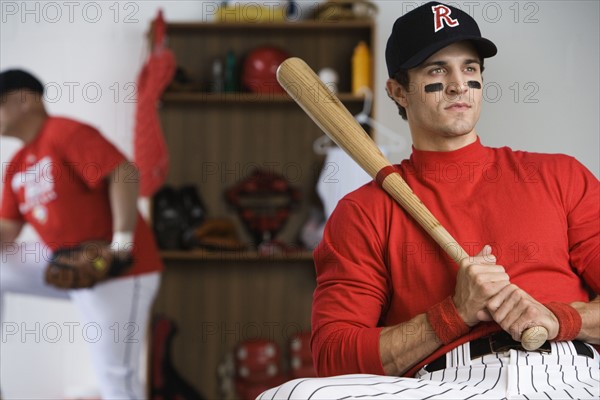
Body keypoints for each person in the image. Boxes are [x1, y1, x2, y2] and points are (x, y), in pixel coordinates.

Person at [260, 2, 599, 399]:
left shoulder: (560, 176)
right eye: (437, 70)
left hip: (569, 368)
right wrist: (452, 313)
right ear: (398, 91)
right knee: (291, 395)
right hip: (449, 382)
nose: (458, 84)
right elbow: (334, 357)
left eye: (469, 68)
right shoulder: (364, 210)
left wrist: (558, 318)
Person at [0, 69, 164, 399]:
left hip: (118, 270)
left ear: (25, 99)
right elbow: (7, 231)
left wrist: (121, 244)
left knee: (116, 380)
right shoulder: (18, 163)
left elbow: (123, 172)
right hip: (68, 261)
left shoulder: (63, 133)